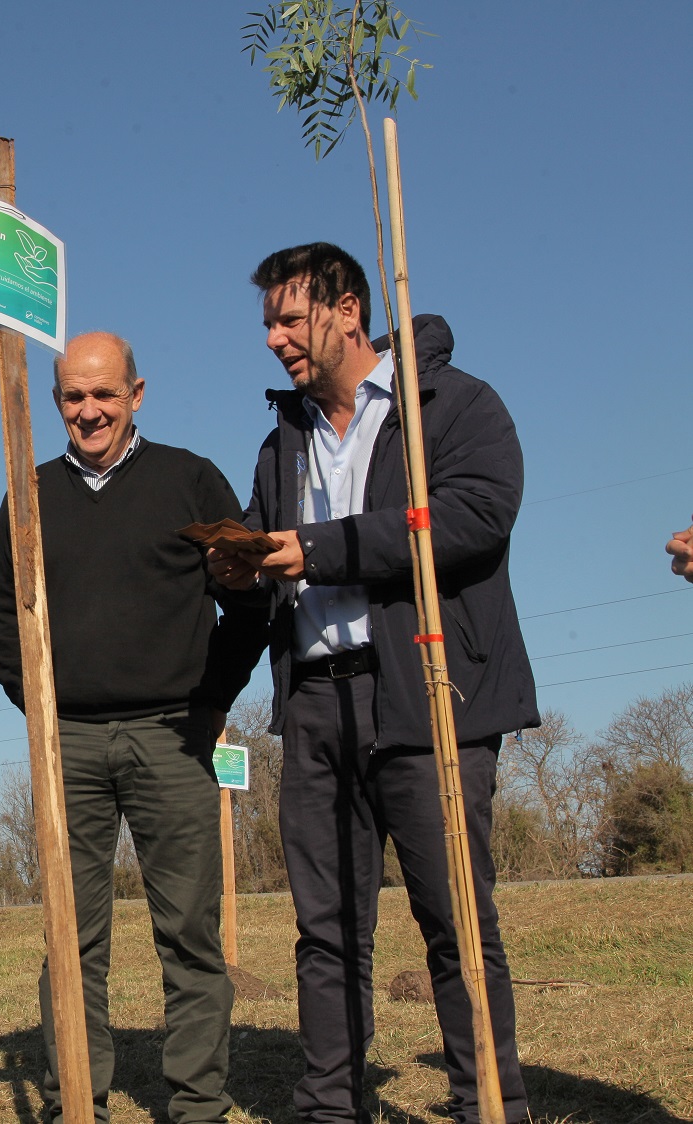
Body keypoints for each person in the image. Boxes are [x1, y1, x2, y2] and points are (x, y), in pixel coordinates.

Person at [209, 243, 538, 1124]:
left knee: (453, 917)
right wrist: (236, 565)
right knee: (326, 929)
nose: (275, 339)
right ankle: (328, 1107)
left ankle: (487, 1103)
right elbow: (264, 542)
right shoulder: (283, 441)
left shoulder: (453, 407)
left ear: (347, 310)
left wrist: (314, 551)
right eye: (267, 325)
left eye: (290, 318)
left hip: (429, 695)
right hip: (316, 703)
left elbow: (470, 520)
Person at [0, 333, 267, 1124]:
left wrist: (213, 697)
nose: (88, 411)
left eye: (104, 394)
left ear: (137, 394)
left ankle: (198, 1102)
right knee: (71, 939)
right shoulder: (27, 491)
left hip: (173, 735)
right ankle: (80, 1096)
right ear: (56, 402)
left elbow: (249, 593)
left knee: (190, 934)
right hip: (66, 740)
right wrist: (38, 709)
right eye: (73, 396)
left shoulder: (189, 480)